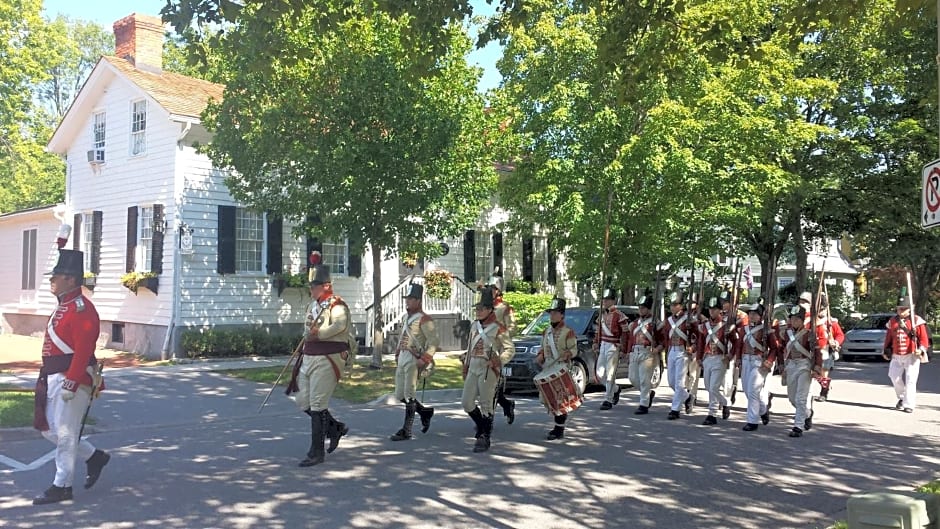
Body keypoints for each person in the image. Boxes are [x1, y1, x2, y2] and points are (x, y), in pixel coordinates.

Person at [32, 247, 110, 505]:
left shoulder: (81, 308)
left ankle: (62, 485)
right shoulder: (63, 306)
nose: (51, 281)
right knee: (48, 430)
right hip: (55, 375)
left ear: (71, 280)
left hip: (72, 378)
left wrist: (73, 380)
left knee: (65, 434)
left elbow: (84, 348)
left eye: (57, 277)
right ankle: (93, 457)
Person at [286, 252, 351, 467]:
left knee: (317, 404)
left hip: (328, 357)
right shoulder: (311, 306)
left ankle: (316, 451)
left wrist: (318, 334)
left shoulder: (337, 305)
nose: (311, 289)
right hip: (310, 356)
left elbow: (339, 326)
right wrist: (305, 344)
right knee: (303, 400)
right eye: (311, 285)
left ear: (326, 285)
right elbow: (308, 329)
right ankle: (335, 428)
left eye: (315, 285)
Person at [461, 286, 514, 452]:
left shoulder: (498, 328)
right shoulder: (474, 326)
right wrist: (466, 365)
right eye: (477, 308)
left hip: (488, 368)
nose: (477, 311)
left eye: (481, 309)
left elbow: (510, 349)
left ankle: (485, 436)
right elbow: (470, 348)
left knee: (486, 403)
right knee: (467, 402)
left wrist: (498, 361)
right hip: (473, 367)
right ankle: (481, 426)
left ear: (490, 310)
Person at [389, 282, 439, 441]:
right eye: (407, 299)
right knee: (400, 394)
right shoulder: (407, 318)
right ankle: (424, 412)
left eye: (410, 299)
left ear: (418, 300)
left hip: (413, 358)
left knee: (409, 394)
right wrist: (397, 353)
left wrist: (424, 359)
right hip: (403, 356)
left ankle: (407, 430)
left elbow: (433, 342)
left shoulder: (425, 319)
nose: (407, 301)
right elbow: (403, 336)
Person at [534, 297, 579, 440]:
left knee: (559, 398)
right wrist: (540, 355)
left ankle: (558, 429)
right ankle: (558, 425)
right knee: (546, 398)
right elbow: (542, 347)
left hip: (560, 366)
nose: (552, 315)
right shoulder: (546, 331)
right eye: (551, 313)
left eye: (555, 313)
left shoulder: (568, 332)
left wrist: (568, 354)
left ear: (562, 315)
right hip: (548, 366)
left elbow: (574, 349)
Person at [883, 290, 931, 413]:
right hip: (896, 354)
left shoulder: (917, 321)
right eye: (899, 309)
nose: (902, 311)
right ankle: (902, 397)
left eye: (904, 309)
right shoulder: (893, 321)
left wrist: (921, 350)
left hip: (912, 355)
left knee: (910, 379)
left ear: (910, 309)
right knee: (893, 376)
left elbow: (925, 339)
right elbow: (888, 337)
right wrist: (886, 350)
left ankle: (909, 404)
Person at [736, 298, 780, 431]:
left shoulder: (766, 330)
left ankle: (752, 421)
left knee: (753, 390)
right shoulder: (744, 329)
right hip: (745, 360)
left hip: (758, 362)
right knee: (747, 390)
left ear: (760, 316)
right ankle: (762, 410)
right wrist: (738, 358)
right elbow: (739, 346)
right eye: (750, 313)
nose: (751, 316)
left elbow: (774, 348)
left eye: (755, 314)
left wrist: (769, 361)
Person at [781, 305, 823, 437]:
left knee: (800, 398)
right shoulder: (787, 334)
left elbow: (817, 352)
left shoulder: (809, 334)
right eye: (792, 319)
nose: (794, 321)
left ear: (802, 320)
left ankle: (798, 426)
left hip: (804, 365)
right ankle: (807, 413)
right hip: (791, 365)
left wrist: (816, 367)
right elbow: (782, 350)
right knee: (792, 398)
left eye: (797, 319)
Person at [696, 297, 738, 425]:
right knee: (709, 387)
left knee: (714, 387)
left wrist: (730, 356)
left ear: (720, 311)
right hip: (708, 358)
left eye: (715, 309)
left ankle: (712, 414)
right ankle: (725, 403)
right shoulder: (705, 326)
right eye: (710, 309)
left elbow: (736, 343)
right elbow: (701, 343)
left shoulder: (726, 326)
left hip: (720, 358)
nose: (712, 312)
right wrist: (698, 357)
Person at [488, 274, 517, 424]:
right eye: (489, 288)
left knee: (492, 384)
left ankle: (488, 418)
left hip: (498, 349)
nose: (491, 291)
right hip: (484, 349)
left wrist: (502, 336)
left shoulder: (504, 308)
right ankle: (507, 404)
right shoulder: (484, 306)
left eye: (493, 288)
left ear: (499, 290)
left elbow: (512, 327)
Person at [593, 288, 628, 410]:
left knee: (610, 374)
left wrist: (623, 348)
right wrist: (595, 343)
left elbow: (625, 333)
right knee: (599, 374)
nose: (605, 302)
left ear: (613, 301)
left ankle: (608, 399)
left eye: (607, 299)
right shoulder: (601, 315)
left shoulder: (619, 315)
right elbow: (598, 332)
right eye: (604, 299)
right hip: (603, 344)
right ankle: (616, 389)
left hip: (614, 346)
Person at [663, 292, 695, 419]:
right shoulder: (669, 320)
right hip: (672, 350)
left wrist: (692, 347)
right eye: (671, 305)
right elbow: (666, 337)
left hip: (682, 351)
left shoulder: (689, 319)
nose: (672, 307)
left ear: (681, 306)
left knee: (679, 383)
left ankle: (675, 410)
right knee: (671, 382)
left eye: (675, 304)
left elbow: (697, 336)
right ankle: (687, 397)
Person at [627, 295, 660, 414]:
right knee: (633, 378)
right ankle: (648, 394)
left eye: (644, 307)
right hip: (635, 351)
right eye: (640, 307)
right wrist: (628, 351)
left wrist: (657, 349)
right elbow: (631, 339)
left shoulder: (655, 322)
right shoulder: (635, 324)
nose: (641, 309)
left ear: (649, 309)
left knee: (644, 380)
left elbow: (662, 340)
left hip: (647, 352)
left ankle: (643, 404)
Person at [813, 295, 845, 402]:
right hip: (814, 350)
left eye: (822, 309)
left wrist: (836, 342)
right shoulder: (812, 322)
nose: (821, 312)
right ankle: (825, 384)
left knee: (824, 371)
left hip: (826, 350)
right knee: (813, 372)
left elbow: (840, 335)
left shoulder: (831, 322)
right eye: (819, 309)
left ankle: (824, 392)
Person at [721, 291, 748, 406]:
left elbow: (743, 334)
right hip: (722, 346)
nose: (723, 304)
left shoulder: (741, 316)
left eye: (726, 302)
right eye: (722, 301)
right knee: (724, 374)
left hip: (735, 345)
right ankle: (728, 392)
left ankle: (728, 395)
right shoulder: (720, 314)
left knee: (731, 372)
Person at [683, 294, 705, 414]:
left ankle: (692, 395)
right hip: (684, 349)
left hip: (695, 349)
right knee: (684, 375)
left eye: (692, 302)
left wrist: (694, 347)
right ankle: (686, 393)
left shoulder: (701, 318)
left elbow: (702, 336)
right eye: (688, 302)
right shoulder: (683, 316)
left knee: (693, 374)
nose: (689, 304)